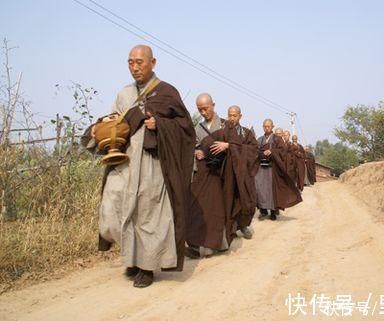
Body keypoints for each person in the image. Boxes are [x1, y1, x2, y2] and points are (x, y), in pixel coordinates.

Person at [82, 45, 195, 288]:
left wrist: (161, 124)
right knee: (116, 207)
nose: (135, 67)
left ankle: (146, 267)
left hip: (153, 163)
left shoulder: (167, 92)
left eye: (140, 62)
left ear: (153, 62)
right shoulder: (124, 94)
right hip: (126, 160)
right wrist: (97, 128)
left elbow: (186, 128)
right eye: (130, 62)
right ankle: (131, 257)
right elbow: (113, 120)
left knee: (148, 215)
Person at [198, 105, 258, 242]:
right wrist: (202, 151)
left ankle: (242, 226)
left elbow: (253, 151)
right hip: (228, 174)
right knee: (228, 201)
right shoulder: (223, 131)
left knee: (245, 201)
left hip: (242, 175)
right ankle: (229, 231)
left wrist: (230, 146)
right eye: (230, 115)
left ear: (240, 116)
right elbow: (209, 141)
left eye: (235, 115)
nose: (232, 118)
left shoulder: (246, 133)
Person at [186, 93, 229, 259]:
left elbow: (240, 146)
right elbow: (193, 146)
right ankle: (205, 244)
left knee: (219, 208)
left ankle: (220, 243)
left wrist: (227, 145)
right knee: (204, 209)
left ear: (213, 105)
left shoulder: (225, 125)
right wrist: (196, 151)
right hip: (204, 172)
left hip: (223, 172)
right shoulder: (197, 128)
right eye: (200, 110)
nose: (203, 112)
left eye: (206, 108)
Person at [255, 120, 302, 221]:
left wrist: (272, 151)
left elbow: (282, 152)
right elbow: (256, 150)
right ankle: (263, 211)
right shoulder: (259, 139)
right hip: (261, 168)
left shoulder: (277, 139)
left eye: (268, 126)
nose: (266, 128)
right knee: (260, 189)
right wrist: (262, 153)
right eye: (265, 126)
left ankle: (273, 212)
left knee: (272, 190)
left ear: (272, 126)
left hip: (273, 169)